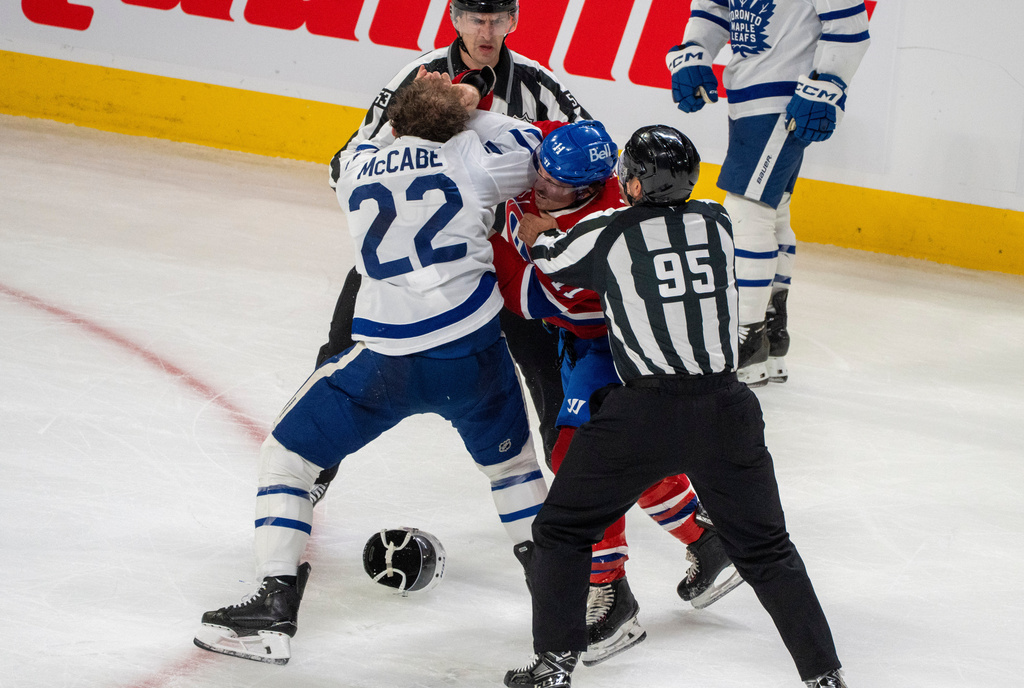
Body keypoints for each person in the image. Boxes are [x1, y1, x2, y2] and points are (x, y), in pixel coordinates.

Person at [193, 75, 549, 666]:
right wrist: (469, 112)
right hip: (473, 356)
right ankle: (557, 598)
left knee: (286, 457)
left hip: (386, 362)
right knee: (513, 470)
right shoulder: (478, 158)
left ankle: (274, 605)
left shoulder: (359, 164)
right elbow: (531, 148)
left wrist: (422, 112)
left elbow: (354, 150)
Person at [502, 125, 849, 688]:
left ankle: (554, 665)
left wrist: (535, 230)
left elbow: (548, 259)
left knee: (563, 531)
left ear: (633, 183)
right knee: (767, 550)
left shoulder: (605, 231)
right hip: (729, 409)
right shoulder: (717, 220)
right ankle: (824, 676)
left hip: (645, 415)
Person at [312, 0, 594, 504]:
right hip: (412, 252)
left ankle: (573, 504)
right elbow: (345, 159)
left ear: (513, 21)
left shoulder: (538, 84)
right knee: (337, 355)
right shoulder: (417, 78)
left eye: (496, 20)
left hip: (503, 258)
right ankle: (313, 472)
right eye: (475, 19)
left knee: (547, 373)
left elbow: (592, 159)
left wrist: (558, 217)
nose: (485, 31)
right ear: (454, 18)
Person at [489, 120, 743, 666]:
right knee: (625, 455)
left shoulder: (607, 226)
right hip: (602, 350)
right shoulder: (617, 191)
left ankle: (611, 596)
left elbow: (536, 295)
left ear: (598, 186)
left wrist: (516, 238)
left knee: (578, 460)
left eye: (559, 186)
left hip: (609, 348)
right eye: (543, 176)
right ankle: (706, 541)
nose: (544, 188)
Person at [666, 0, 870, 386]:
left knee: (746, 214)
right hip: (747, 93)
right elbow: (715, 7)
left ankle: (746, 337)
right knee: (772, 212)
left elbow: (849, 25)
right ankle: (771, 334)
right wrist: (695, 49)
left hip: (787, 97)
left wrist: (829, 80)